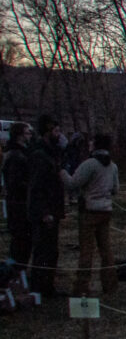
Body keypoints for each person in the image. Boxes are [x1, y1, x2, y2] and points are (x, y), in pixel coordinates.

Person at [61, 132, 119, 297]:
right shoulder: (112, 166)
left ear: (96, 145)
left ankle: (82, 288)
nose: (89, 144)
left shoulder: (90, 164)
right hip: (106, 210)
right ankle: (110, 285)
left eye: (92, 142)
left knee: (86, 251)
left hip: (89, 211)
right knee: (106, 250)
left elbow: (73, 184)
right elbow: (116, 189)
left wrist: (62, 172)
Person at [26, 115, 66, 297]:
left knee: (51, 251)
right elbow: (36, 188)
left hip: (53, 208)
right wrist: (44, 212)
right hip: (44, 212)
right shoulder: (39, 155)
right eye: (56, 131)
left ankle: (47, 286)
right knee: (42, 251)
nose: (59, 134)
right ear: (47, 132)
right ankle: (38, 287)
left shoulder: (51, 152)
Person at [2, 122, 34, 271]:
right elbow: (15, 183)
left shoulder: (21, 153)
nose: (30, 136)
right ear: (20, 135)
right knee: (20, 242)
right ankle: (12, 274)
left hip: (21, 203)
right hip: (18, 204)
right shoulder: (16, 155)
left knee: (24, 242)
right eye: (27, 133)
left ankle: (17, 274)